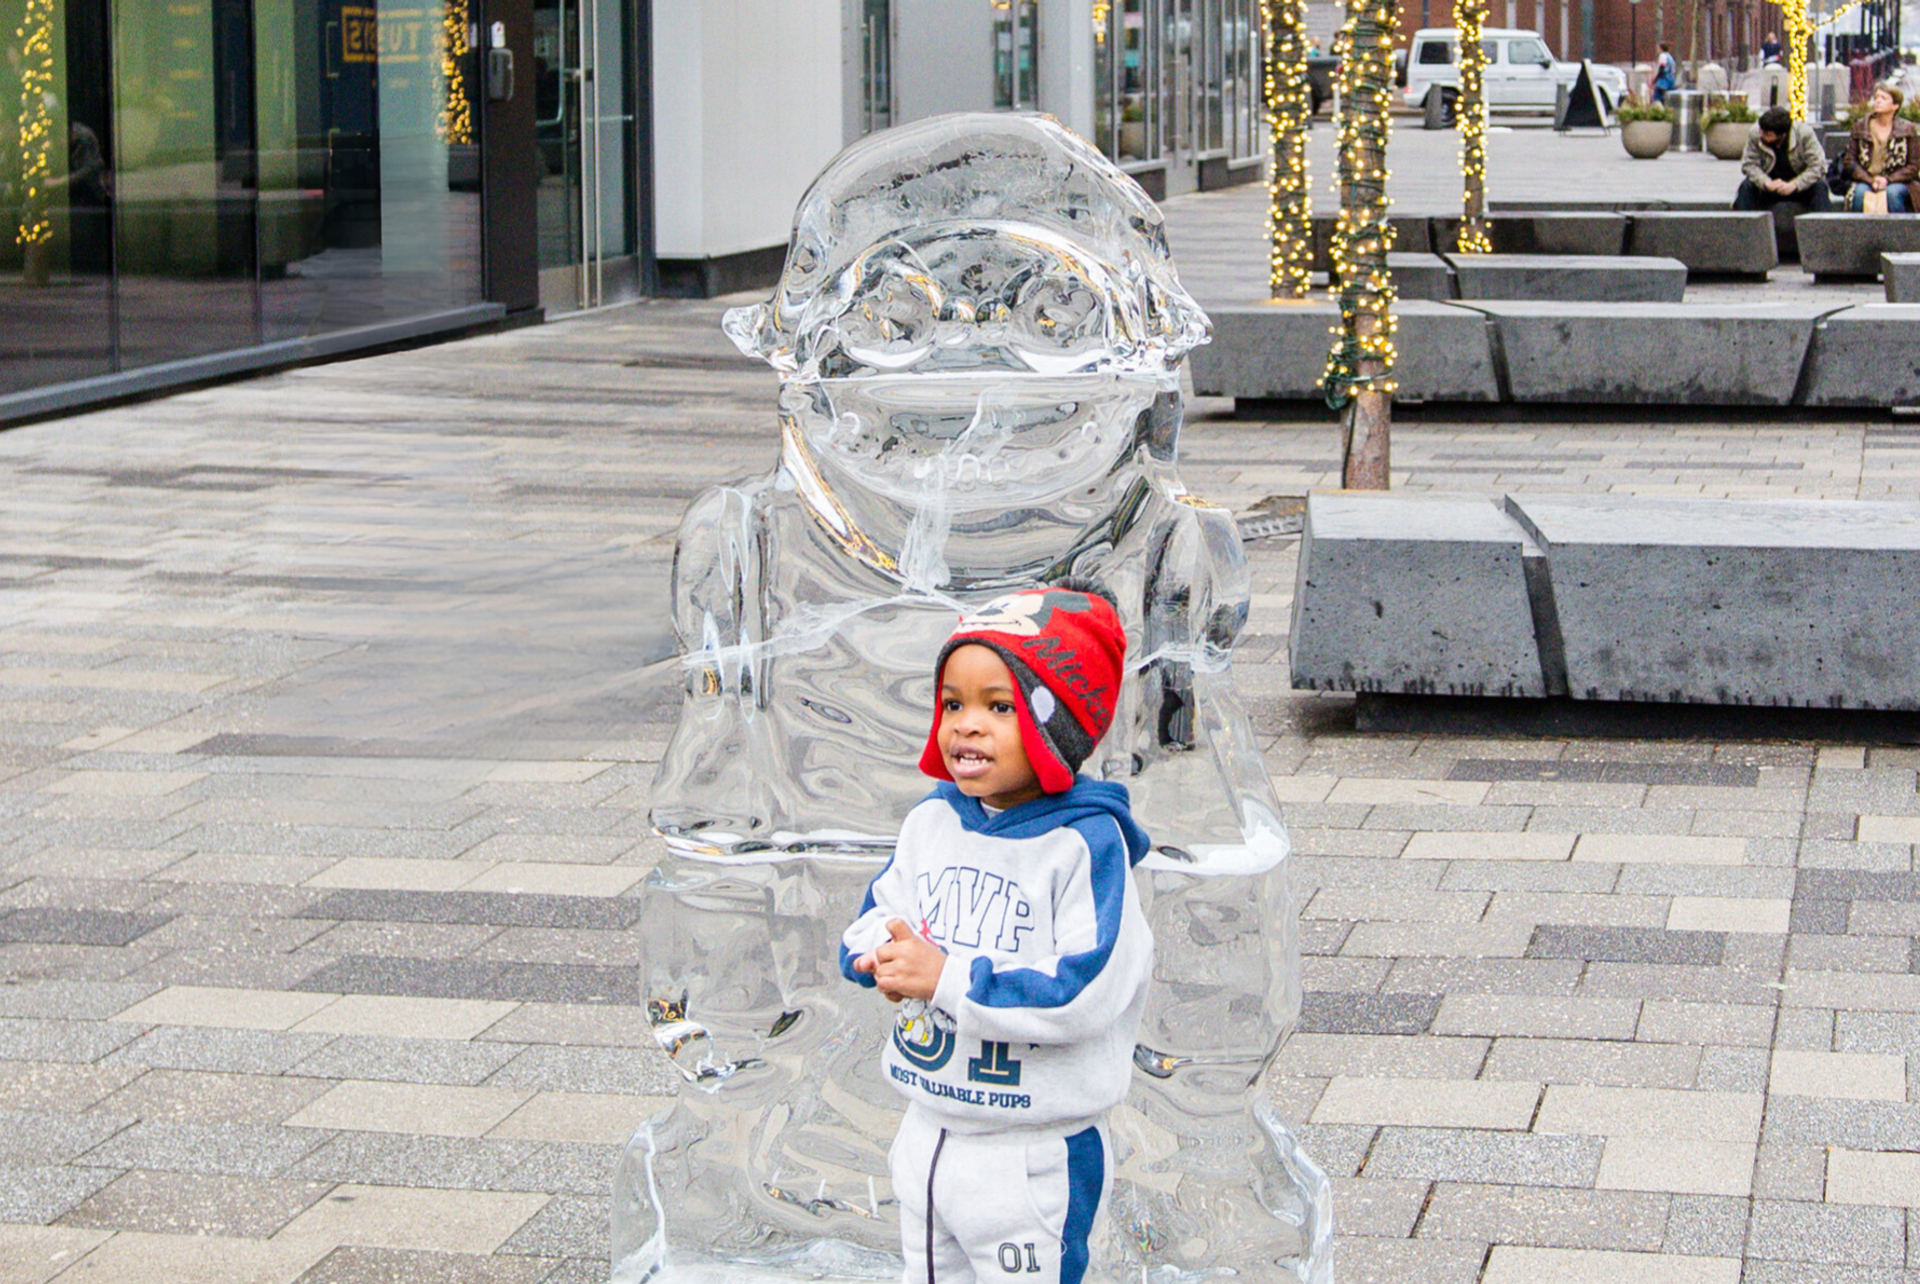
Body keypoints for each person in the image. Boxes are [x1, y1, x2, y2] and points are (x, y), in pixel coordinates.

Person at [842, 583, 1152, 1284]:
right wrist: (876, 953)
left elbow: (1087, 989)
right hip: (928, 1129)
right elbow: (881, 907)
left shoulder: (1084, 846)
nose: (967, 726)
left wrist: (946, 979)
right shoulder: (934, 822)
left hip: (1031, 1148)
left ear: (1058, 723)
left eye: (999, 706)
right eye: (953, 704)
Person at [1734, 105, 1834, 214]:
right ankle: (1743, 227)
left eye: (1768, 135)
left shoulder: (1804, 134)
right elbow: (1749, 165)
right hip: (1768, 186)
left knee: (1820, 187)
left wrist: (1795, 185)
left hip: (1799, 185)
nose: (1762, 136)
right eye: (1762, 131)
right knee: (1746, 187)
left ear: (1782, 135)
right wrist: (1766, 182)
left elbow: (1818, 166)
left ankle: (1823, 228)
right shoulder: (1755, 133)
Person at [1845, 83, 1918, 213]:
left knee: (1892, 194)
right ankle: (1858, 232)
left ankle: (1900, 232)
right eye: (1876, 97)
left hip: (1898, 180)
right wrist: (1870, 179)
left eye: (1883, 98)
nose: (1878, 101)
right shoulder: (1860, 127)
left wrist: (1887, 180)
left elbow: (1913, 166)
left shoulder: (1908, 129)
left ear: (1895, 106)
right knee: (1860, 194)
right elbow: (1850, 161)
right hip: (1867, 178)